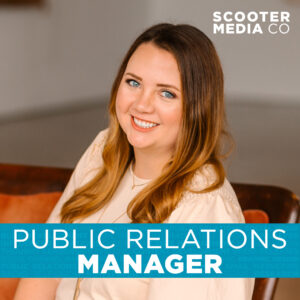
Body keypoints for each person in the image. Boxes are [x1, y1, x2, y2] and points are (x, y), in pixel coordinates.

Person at [14, 23, 254, 300]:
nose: (141, 104)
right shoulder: (103, 152)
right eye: (133, 82)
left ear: (197, 109)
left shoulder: (206, 207)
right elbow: (45, 270)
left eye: (167, 93)